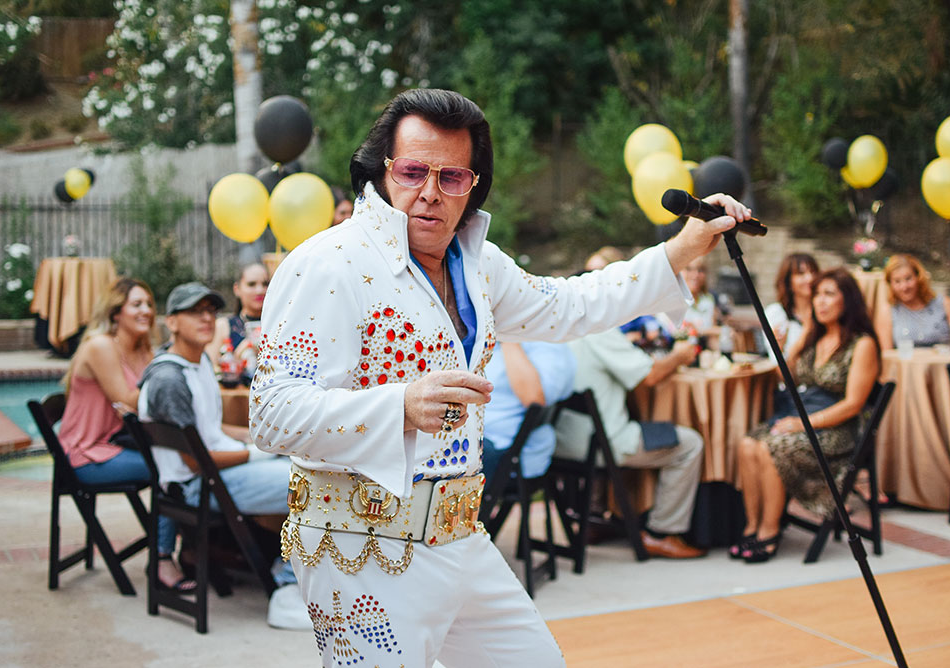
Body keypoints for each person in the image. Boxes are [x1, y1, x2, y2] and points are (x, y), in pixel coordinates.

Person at [252, 88, 749, 667]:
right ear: (382, 172)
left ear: (474, 185)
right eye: (414, 171)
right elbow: (271, 413)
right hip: (360, 550)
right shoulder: (328, 264)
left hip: (461, 535)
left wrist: (682, 247)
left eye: (453, 177)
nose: (430, 194)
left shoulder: (478, 264)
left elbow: (569, 305)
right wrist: (399, 405)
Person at [138, 282, 302, 623]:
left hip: (215, 474)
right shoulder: (170, 379)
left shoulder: (195, 365)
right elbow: (195, 460)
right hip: (197, 487)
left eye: (211, 311)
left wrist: (264, 439)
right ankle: (288, 582)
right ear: (171, 322)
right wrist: (255, 453)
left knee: (306, 461)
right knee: (311, 485)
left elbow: (211, 430)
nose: (207, 318)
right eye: (195, 312)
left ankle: (288, 562)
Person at [553, 256, 707, 559]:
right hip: (600, 443)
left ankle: (600, 519)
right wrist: (679, 356)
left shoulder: (555, 329)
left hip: (560, 439)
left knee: (636, 421)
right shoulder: (596, 329)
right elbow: (650, 375)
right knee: (691, 443)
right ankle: (662, 532)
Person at [732, 268, 880, 563]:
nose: (820, 302)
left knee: (770, 446)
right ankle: (752, 525)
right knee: (748, 444)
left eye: (829, 294)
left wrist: (801, 424)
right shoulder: (815, 339)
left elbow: (852, 405)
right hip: (803, 416)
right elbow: (784, 378)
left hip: (838, 429)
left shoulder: (862, 344)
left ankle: (769, 531)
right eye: (817, 296)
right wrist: (794, 345)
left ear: (847, 300)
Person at [57, 277, 194, 592]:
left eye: (148, 304)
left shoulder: (143, 349)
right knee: (172, 466)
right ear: (116, 312)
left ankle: (194, 550)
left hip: (116, 445)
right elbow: (125, 399)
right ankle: (162, 559)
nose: (146, 310)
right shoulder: (101, 346)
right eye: (137, 304)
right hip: (85, 454)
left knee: (182, 458)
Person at [481, 342, 576, 481]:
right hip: (474, 436)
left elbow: (534, 399)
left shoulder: (548, 344)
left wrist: (509, 336)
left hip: (503, 449)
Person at [875, 253, 950, 350]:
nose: (904, 287)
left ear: (918, 277)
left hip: (943, 364)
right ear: (890, 284)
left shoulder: (945, 304)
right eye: (897, 281)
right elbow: (886, 356)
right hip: (905, 364)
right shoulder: (887, 311)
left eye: (908, 279)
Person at [206, 262, 269, 378]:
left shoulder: (280, 326)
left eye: (265, 284)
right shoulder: (223, 326)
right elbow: (209, 371)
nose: (260, 290)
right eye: (251, 284)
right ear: (237, 289)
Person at [763, 253, 820, 361]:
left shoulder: (823, 311)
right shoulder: (777, 313)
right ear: (788, 280)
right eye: (801, 274)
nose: (810, 278)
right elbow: (776, 363)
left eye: (813, 272)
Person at [681, 257, 722, 331]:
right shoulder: (673, 300)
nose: (695, 275)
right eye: (689, 269)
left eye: (700, 270)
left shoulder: (709, 299)